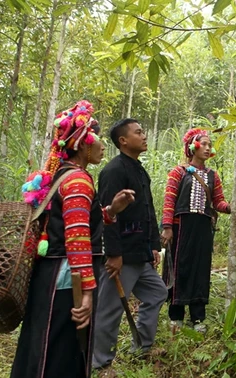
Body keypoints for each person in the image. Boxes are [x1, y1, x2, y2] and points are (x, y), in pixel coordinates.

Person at [11, 100, 135, 378]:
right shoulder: (78, 180)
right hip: (67, 281)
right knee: (61, 350)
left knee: (42, 344)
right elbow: (77, 239)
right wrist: (87, 295)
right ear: (82, 143)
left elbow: (72, 222)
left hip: (50, 275)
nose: (103, 146)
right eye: (98, 139)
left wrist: (111, 210)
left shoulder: (61, 176)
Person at [92, 119, 167, 375]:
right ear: (123, 141)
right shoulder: (113, 171)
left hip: (139, 252)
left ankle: (142, 346)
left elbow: (147, 209)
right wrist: (113, 254)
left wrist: (153, 245)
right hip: (121, 254)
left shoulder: (138, 170)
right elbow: (107, 214)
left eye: (143, 131)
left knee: (157, 293)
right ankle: (100, 363)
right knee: (110, 309)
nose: (144, 136)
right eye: (139, 132)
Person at [160, 128, 236, 334]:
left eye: (209, 144)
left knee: (200, 269)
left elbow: (218, 202)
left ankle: (198, 317)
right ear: (192, 147)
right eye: (203, 144)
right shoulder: (178, 172)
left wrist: (230, 207)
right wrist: (167, 227)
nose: (207, 147)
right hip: (181, 228)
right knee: (180, 268)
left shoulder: (213, 176)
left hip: (203, 229)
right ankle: (176, 315)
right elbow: (169, 201)